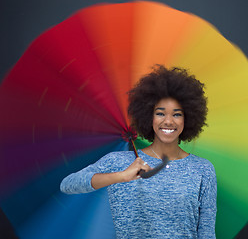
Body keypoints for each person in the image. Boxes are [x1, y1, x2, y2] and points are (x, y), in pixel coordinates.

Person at [60, 65, 217, 238]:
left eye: (177, 114)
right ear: (149, 116)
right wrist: (122, 176)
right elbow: (68, 184)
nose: (168, 121)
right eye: (160, 113)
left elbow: (207, 233)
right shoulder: (119, 162)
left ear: (188, 118)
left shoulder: (202, 169)